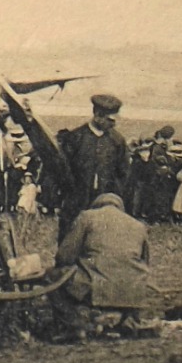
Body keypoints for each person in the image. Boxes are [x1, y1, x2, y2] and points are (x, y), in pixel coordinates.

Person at [54, 193, 152, 329]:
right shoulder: (138, 225)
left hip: (97, 287)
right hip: (133, 290)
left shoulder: (87, 217)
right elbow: (145, 262)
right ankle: (125, 317)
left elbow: (64, 256)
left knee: (53, 277)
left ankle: (74, 322)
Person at [56, 94, 131, 241]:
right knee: (71, 238)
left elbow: (123, 173)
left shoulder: (117, 141)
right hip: (76, 202)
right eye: (110, 120)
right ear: (97, 115)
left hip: (104, 203)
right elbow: (63, 172)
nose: (113, 124)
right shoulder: (75, 138)